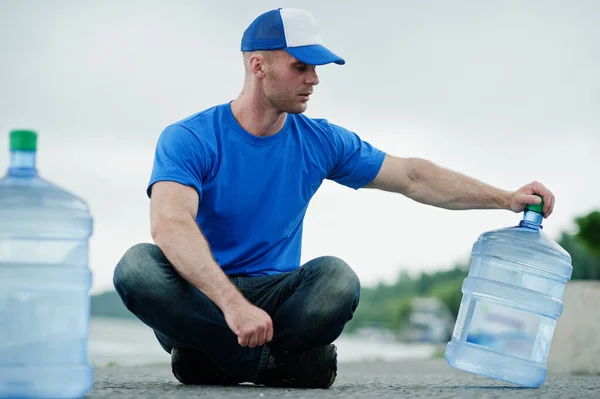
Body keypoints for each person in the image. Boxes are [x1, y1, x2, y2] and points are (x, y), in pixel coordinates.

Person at [112, 7, 556, 389]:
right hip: (204, 294)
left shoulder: (319, 140)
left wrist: (505, 198)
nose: (314, 79)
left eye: (316, 67)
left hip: (279, 296)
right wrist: (232, 306)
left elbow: (413, 177)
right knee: (137, 268)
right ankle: (279, 365)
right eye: (300, 66)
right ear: (257, 65)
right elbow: (170, 223)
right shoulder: (190, 137)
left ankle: (212, 360)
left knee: (337, 279)